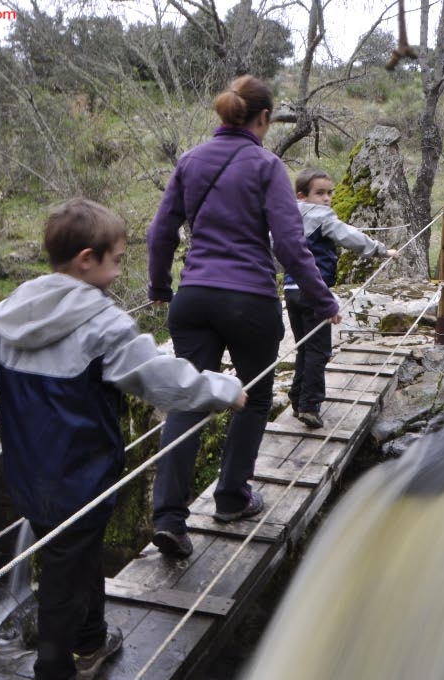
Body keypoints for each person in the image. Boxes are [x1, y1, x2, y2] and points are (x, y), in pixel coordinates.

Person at [0, 198, 245, 680]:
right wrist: (223, 388)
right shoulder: (103, 324)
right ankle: (54, 667)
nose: (120, 269)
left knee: (75, 555)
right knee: (65, 574)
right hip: (83, 475)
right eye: (118, 259)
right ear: (88, 259)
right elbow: (157, 377)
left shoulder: (12, 311)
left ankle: (91, 641)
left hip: (29, 472)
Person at [146, 75, 340, 556]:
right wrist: (323, 300)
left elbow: (160, 233)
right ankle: (232, 497)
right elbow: (293, 247)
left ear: (223, 114)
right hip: (250, 300)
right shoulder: (267, 165)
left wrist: (160, 288)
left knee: (189, 400)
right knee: (250, 398)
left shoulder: (189, 161)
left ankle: (169, 517)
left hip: (193, 298)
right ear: (264, 119)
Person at [285, 168, 398, 429]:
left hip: (291, 290)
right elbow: (350, 237)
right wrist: (381, 250)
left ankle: (296, 399)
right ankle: (309, 405)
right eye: (320, 193)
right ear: (302, 196)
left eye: (329, 193)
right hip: (315, 290)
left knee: (304, 347)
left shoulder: (286, 217)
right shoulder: (322, 216)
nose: (327, 199)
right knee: (319, 350)